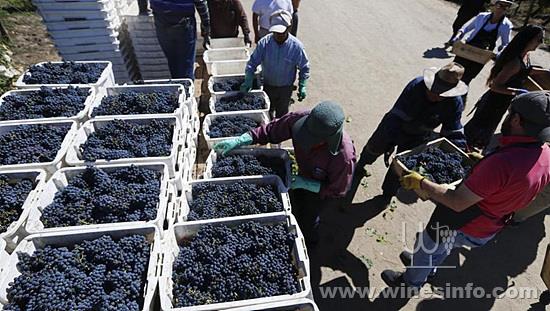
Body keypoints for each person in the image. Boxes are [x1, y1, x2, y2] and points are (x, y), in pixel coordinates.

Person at [382, 91, 550, 289]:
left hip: (467, 220)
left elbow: (456, 201)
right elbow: (516, 185)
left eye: (509, 112)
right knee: (445, 244)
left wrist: (420, 182)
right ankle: (428, 269)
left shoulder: (502, 165)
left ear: (515, 119)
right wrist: (484, 166)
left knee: (429, 243)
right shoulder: (545, 153)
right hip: (490, 224)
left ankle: (411, 282)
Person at [213, 101, 356, 246]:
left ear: (327, 141)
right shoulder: (299, 119)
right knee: (297, 202)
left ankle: (309, 241)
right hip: (302, 173)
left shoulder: (343, 158)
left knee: (309, 217)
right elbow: (271, 130)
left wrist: (309, 184)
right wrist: (245, 138)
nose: (308, 143)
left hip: (320, 192)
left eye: (313, 141)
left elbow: (339, 190)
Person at [344, 63, 469, 207]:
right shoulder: (416, 86)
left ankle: (387, 194)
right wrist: (390, 143)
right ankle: (362, 164)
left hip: (419, 135)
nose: (435, 95)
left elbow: (453, 131)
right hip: (394, 125)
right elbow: (396, 118)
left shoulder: (454, 103)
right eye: (433, 90)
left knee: (401, 168)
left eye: (441, 94)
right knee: (375, 146)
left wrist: (461, 153)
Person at [465, 25, 546, 150]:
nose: (541, 43)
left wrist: (545, 72)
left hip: (502, 103)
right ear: (529, 39)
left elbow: (525, 70)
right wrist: (517, 92)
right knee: (478, 131)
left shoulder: (525, 56)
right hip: (493, 103)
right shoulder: (514, 63)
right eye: (539, 40)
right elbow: (495, 86)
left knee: (484, 131)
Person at [241, 10, 310, 119]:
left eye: (281, 32)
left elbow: (304, 68)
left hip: (285, 88)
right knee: (267, 113)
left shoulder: (297, 47)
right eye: (276, 32)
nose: (278, 35)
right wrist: (248, 79)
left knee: (282, 116)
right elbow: (252, 63)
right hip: (268, 86)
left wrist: (302, 85)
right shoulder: (264, 43)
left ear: (289, 28)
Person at [450, 0, 514, 85]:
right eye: (500, 5)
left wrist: (500, 53)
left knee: (466, 79)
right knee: (453, 73)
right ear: (494, 6)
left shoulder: (506, 25)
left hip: (481, 55)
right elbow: (465, 28)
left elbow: (505, 43)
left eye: (506, 7)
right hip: (467, 49)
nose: (501, 9)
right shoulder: (481, 16)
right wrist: (458, 36)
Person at [149, 0, 210, 79]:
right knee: (185, 66)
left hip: (161, 19)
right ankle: (186, 88)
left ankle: (178, 85)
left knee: (173, 62)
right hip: (182, 20)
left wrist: (143, 9)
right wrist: (206, 24)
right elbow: (200, 1)